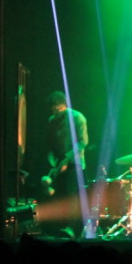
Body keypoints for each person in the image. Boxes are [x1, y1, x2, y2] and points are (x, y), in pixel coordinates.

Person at [41, 91, 88, 237]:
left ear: (64, 106)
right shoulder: (51, 120)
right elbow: (49, 145)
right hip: (58, 164)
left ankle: (72, 228)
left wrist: (66, 160)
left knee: (71, 195)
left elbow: (82, 142)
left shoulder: (77, 117)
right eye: (52, 110)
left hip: (75, 163)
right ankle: (61, 226)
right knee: (60, 196)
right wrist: (53, 162)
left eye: (58, 109)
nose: (55, 113)